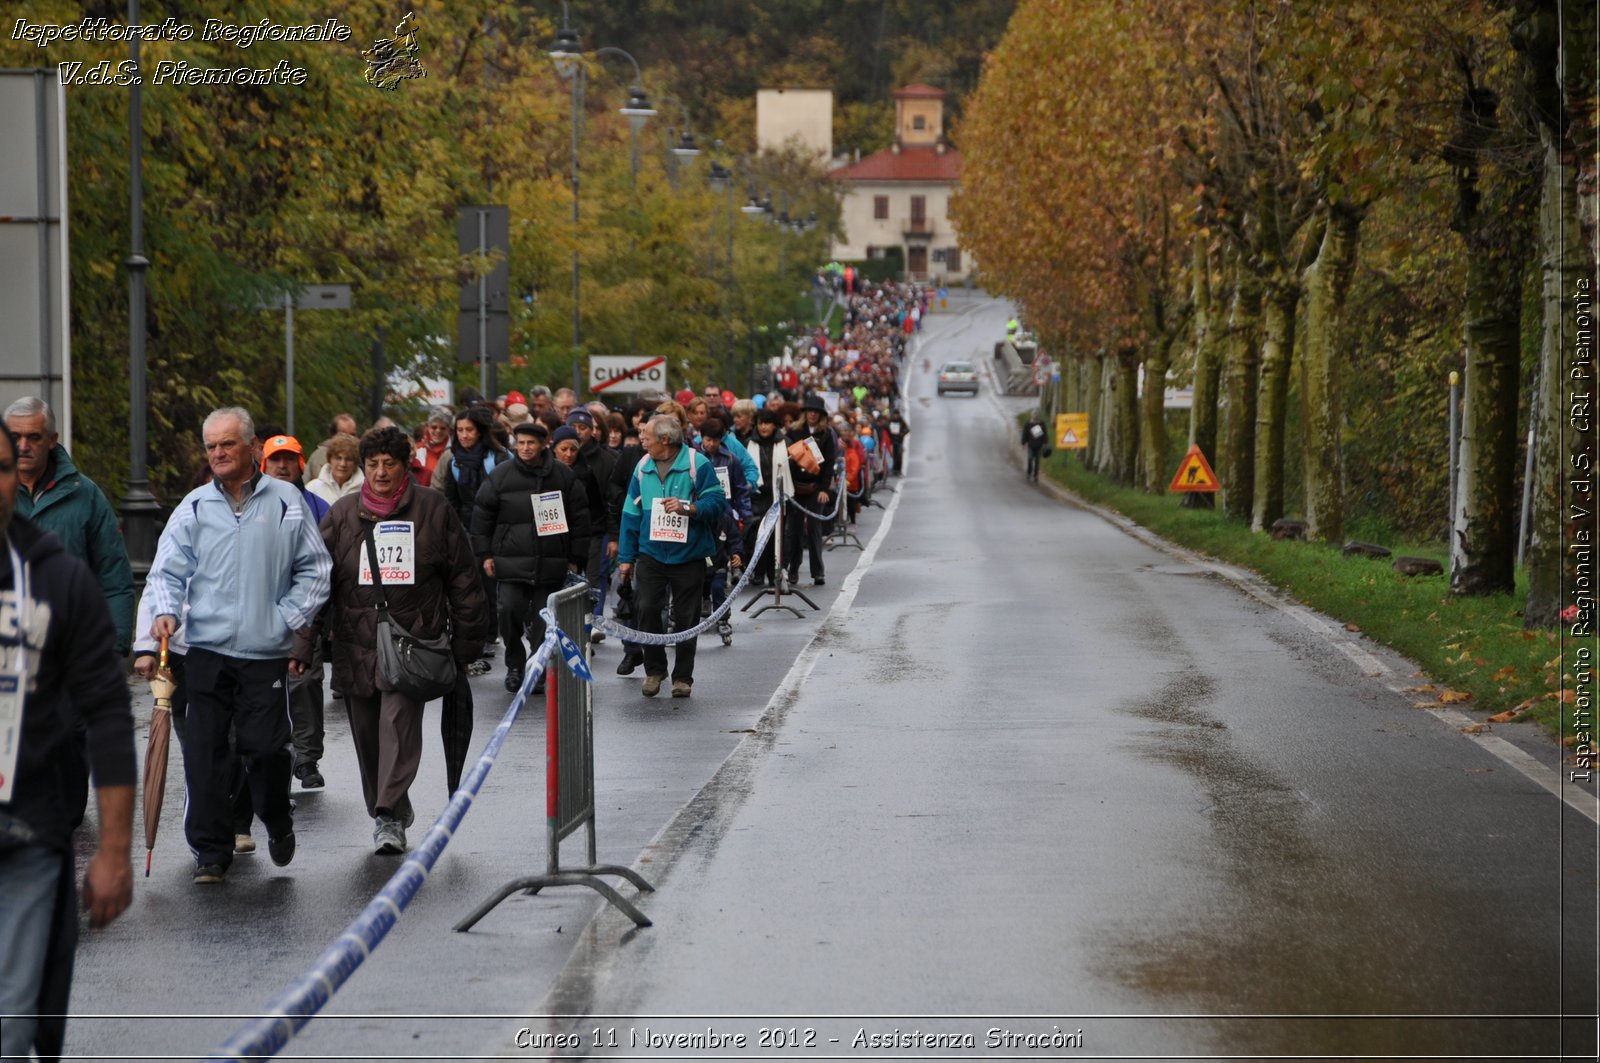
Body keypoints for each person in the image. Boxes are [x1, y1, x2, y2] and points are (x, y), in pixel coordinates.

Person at [147, 406, 332, 884]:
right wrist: (164, 612)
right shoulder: (193, 506)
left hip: (263, 652)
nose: (218, 453)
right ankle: (211, 851)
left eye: (227, 444)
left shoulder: (287, 501)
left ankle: (276, 818)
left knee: (265, 750)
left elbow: (317, 569)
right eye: (211, 446)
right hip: (204, 650)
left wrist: (283, 619)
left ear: (252, 448)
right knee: (206, 754)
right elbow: (166, 572)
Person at [0, 423, 135, 1062]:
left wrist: (112, 851)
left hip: (28, 830)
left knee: (14, 1024)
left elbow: (108, 717)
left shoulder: (58, 580)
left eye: (4, 467)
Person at [295, 426, 489, 855]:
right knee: (368, 738)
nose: (380, 472)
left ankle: (386, 817)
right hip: (355, 644)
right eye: (373, 464)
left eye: (390, 464)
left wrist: (467, 645)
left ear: (405, 467)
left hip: (413, 642)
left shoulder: (433, 509)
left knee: (398, 726)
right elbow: (316, 584)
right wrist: (302, 643)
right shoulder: (343, 514)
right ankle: (392, 809)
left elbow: (463, 579)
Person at [4, 397, 135, 654]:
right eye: (14, 436)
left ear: (52, 440)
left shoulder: (85, 495)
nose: (22, 446)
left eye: (33, 437)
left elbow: (113, 575)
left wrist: (114, 645)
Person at [471, 421, 590, 696]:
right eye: (521, 442)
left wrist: (575, 558)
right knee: (508, 611)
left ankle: (536, 667)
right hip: (511, 561)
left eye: (531, 443)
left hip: (551, 562)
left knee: (543, 619)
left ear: (544, 444)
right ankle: (515, 666)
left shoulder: (563, 475)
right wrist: (485, 554)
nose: (525, 448)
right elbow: (481, 517)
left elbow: (581, 518)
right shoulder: (500, 476)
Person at [616, 414, 727, 699]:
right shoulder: (642, 467)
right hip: (651, 554)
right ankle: (654, 670)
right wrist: (626, 558)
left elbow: (717, 504)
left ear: (664, 440)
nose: (643, 441)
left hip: (688, 555)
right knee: (647, 610)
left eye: (648, 437)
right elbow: (631, 514)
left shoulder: (696, 464)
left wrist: (688, 508)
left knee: (687, 617)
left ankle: (682, 678)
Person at [260, 435, 333, 789]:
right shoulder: (247, 506)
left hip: (305, 614)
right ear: (263, 465)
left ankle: (306, 759)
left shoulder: (319, 508)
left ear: (302, 465)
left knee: (304, 683)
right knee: (264, 687)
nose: (283, 466)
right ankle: (271, 754)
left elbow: (332, 565)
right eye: (276, 460)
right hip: (259, 614)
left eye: (290, 459)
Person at [784, 394, 837, 587]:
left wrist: (824, 488)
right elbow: (786, 461)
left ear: (821, 414)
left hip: (815, 487)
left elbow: (829, 464)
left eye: (816, 412)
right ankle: (793, 569)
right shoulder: (794, 431)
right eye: (809, 411)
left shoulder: (826, 434)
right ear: (805, 413)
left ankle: (818, 571)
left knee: (814, 528)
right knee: (795, 530)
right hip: (797, 487)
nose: (812, 414)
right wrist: (790, 486)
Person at [308, 432, 363, 506]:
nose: (343, 464)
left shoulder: (365, 490)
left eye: (348, 459)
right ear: (329, 460)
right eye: (338, 458)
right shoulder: (313, 489)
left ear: (355, 463)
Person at [306, 413, 358, 480]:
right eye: (343, 434)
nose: (348, 439)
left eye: (352, 435)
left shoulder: (362, 458)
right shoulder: (318, 457)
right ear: (333, 435)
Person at [413, 407, 453, 487]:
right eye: (434, 427)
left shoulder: (454, 451)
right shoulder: (417, 449)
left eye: (443, 428)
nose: (438, 431)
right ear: (427, 427)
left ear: (449, 430)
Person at [1023, 412, 1048, 482]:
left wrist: (1045, 443)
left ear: (1039, 416)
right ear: (1032, 416)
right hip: (1031, 445)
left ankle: (1036, 475)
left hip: (1039, 445)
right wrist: (1023, 442)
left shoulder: (1041, 424)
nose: (1036, 417)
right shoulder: (1028, 424)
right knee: (1030, 458)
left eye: (1037, 416)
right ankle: (1029, 473)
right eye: (1034, 415)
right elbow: (1025, 433)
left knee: (1037, 461)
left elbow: (1045, 434)